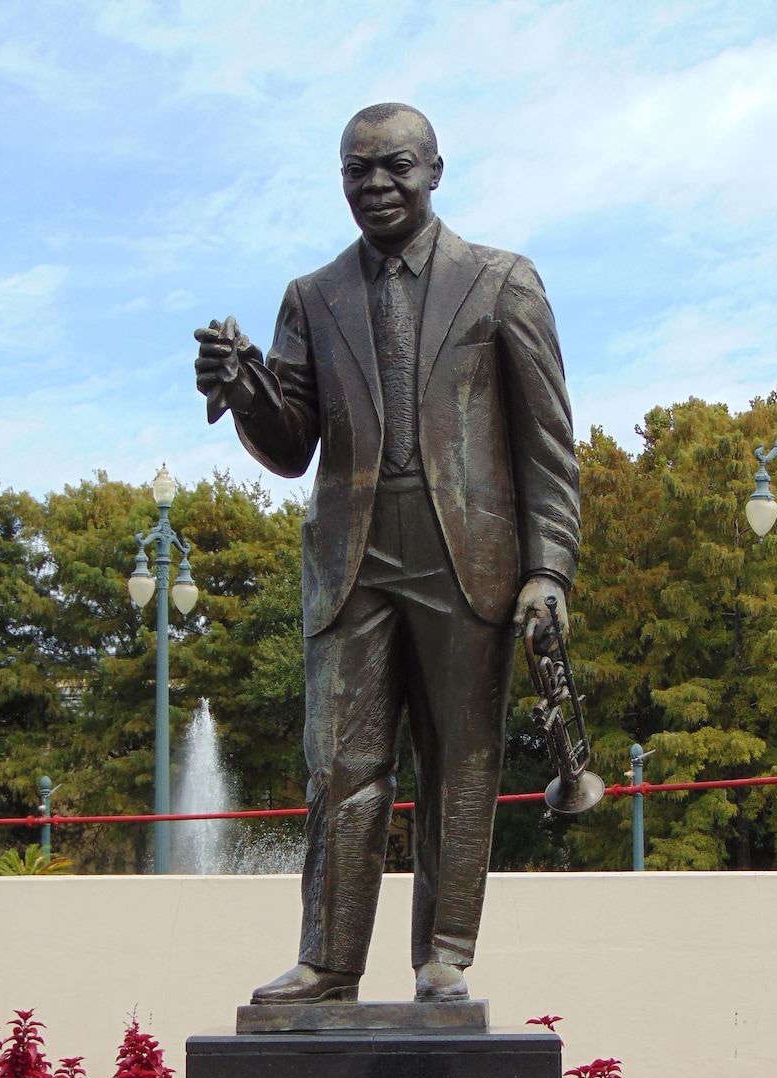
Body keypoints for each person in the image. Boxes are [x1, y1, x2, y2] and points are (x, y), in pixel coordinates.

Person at [194, 102, 579, 1003]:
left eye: (394, 167)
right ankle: (328, 962)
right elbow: (290, 446)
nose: (375, 184)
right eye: (356, 170)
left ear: (436, 170)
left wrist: (548, 568)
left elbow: (547, 446)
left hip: (469, 557)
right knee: (341, 764)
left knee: (462, 759)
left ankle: (444, 958)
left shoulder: (502, 282)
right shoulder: (312, 296)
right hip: (353, 560)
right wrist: (247, 384)